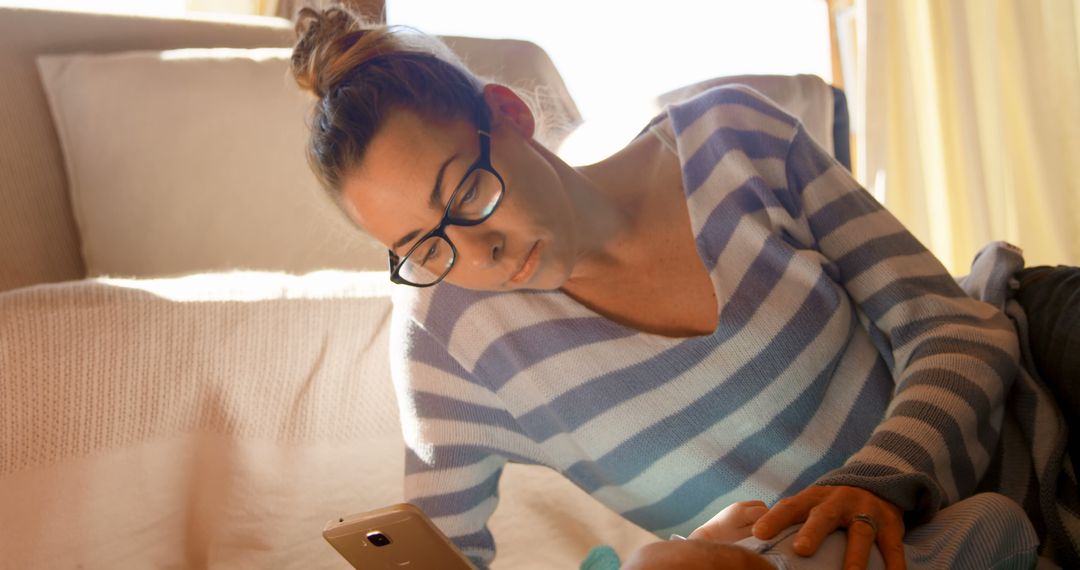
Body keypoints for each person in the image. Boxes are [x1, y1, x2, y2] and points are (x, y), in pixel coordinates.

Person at [288, 6, 1076, 569]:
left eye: (466, 192)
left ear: (509, 114)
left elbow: (951, 328)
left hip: (1037, 395)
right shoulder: (446, 336)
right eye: (424, 246)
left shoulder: (730, 137)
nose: (476, 250)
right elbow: (444, 550)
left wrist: (876, 482)